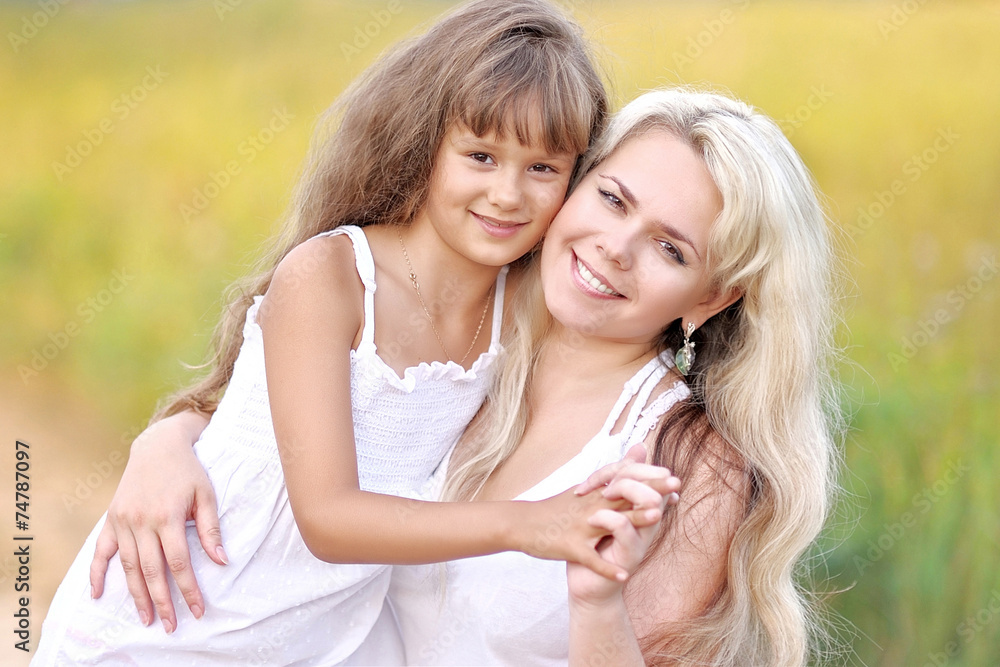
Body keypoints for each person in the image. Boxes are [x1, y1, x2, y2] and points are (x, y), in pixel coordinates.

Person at [84, 87, 845, 666]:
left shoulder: (686, 462)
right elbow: (292, 413)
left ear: (712, 297)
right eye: (612, 198)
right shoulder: (479, 338)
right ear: (575, 186)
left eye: (670, 249)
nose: (614, 247)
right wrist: (168, 439)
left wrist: (596, 600)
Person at [33, 2, 676, 665]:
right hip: (176, 622)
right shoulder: (332, 277)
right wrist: (534, 525)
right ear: (427, 143)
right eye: (481, 155)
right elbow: (328, 518)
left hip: (321, 645)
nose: (509, 193)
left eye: (543, 167)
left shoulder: (524, 308)